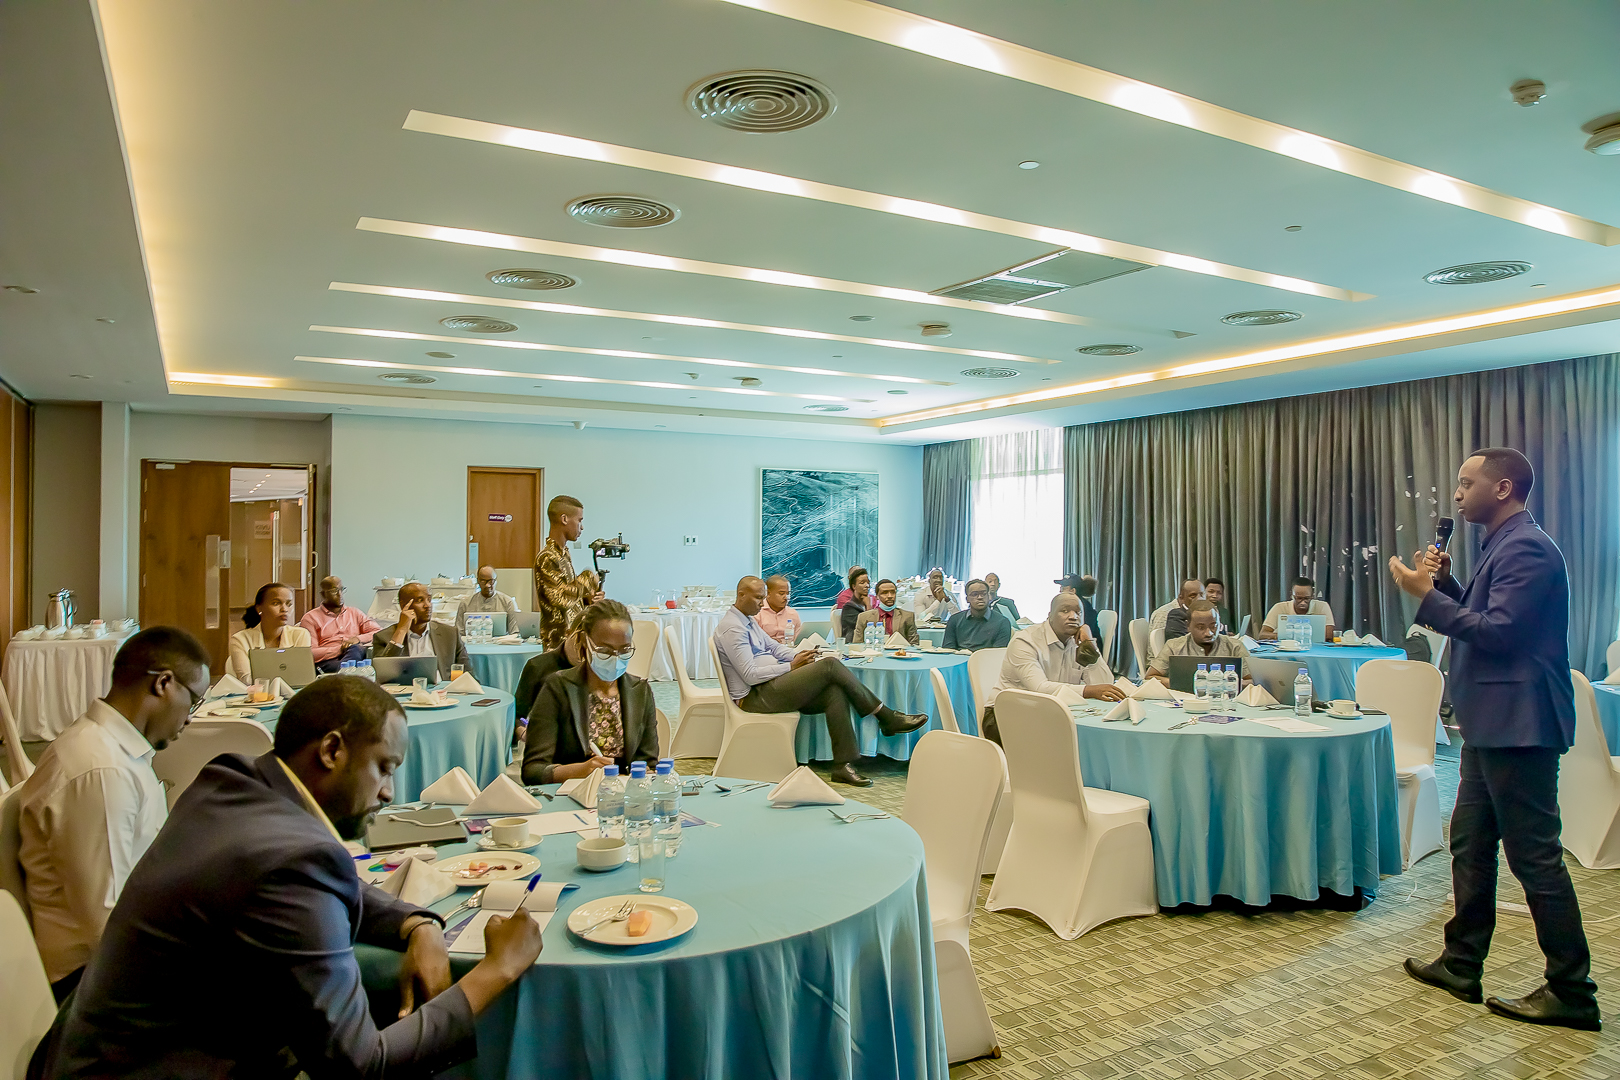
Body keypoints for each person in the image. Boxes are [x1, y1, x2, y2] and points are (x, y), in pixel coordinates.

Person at [30, 676, 542, 1078]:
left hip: (92, 1052)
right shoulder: (295, 861)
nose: (389, 792)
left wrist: (419, 924)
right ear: (331, 751)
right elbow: (363, 1065)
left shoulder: (230, 781)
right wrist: (498, 968)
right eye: (384, 768)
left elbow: (333, 884)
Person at [1389, 447, 1599, 1031]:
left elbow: (1501, 634)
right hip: (1493, 722)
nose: (1456, 494)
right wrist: (1449, 584)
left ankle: (1573, 991)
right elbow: (1486, 614)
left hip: (1520, 724)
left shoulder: (1527, 546)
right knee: (1470, 843)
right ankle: (1462, 963)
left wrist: (1426, 598)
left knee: (1534, 857)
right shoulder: (1502, 546)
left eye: (1465, 483)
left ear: (1502, 488)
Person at [17, 628, 210, 1002]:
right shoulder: (102, 770)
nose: (190, 719)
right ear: (164, 684)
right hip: (91, 983)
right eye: (195, 701)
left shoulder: (115, 752)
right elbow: (109, 926)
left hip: (122, 953)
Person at [716, 576, 928, 787]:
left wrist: (800, 655)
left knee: (833, 691)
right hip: (753, 696)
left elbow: (773, 647)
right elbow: (750, 675)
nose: (762, 603)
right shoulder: (733, 627)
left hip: (770, 685)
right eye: (757, 598)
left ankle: (842, 766)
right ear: (741, 594)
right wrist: (791, 666)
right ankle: (885, 716)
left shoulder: (748, 619)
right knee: (830, 665)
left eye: (763, 598)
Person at [522, 600, 659, 784]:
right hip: (569, 796)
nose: (615, 658)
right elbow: (532, 771)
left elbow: (648, 762)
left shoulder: (640, 692)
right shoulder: (558, 687)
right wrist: (582, 770)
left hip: (624, 794)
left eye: (624, 650)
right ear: (585, 642)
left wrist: (646, 775)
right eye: (604, 651)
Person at [984, 594, 1125, 741]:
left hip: (1051, 711)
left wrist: (1089, 644)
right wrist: (1089, 691)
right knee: (1064, 741)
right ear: (1050, 616)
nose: (1073, 617)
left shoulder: (1078, 642)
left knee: (1093, 738)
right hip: (1005, 715)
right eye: (1064, 611)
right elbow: (1039, 688)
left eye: (1078, 612)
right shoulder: (1025, 641)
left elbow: (1103, 685)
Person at [534, 494, 601, 651]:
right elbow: (561, 599)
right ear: (564, 519)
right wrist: (588, 577)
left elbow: (572, 600)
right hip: (557, 645)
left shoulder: (563, 554)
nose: (581, 527)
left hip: (573, 638)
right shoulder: (547, 557)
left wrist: (588, 598)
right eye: (579, 520)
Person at [372, 581, 471, 682]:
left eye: (429, 599)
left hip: (442, 693)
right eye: (420, 601)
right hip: (403, 694)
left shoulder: (450, 634)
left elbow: (468, 675)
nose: (427, 605)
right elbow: (382, 678)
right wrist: (401, 631)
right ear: (403, 605)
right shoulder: (383, 637)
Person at [1146, 601, 1250, 686]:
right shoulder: (1174, 646)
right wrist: (1180, 684)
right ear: (1188, 626)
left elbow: (1253, 681)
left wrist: (1224, 684)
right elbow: (1149, 678)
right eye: (1201, 627)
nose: (1208, 633)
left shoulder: (1235, 646)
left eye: (1214, 626)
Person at [228, 582, 313, 683]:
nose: (284, 609)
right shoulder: (240, 639)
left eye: (289, 604)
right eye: (276, 603)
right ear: (259, 608)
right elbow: (246, 680)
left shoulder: (300, 635)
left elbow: (303, 676)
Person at [299, 576, 380, 673]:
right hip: (327, 661)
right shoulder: (310, 618)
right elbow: (309, 653)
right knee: (353, 656)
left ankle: (344, 673)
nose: (339, 594)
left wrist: (357, 639)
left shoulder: (355, 613)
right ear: (323, 594)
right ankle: (345, 672)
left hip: (355, 655)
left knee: (357, 648)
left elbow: (378, 632)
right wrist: (340, 649)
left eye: (341, 589)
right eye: (334, 591)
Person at [942, 579, 1012, 652]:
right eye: (975, 594)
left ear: (989, 597)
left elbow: (997, 654)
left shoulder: (1002, 622)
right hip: (959, 660)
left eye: (984, 594)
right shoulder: (955, 620)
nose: (980, 597)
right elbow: (948, 651)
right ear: (967, 599)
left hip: (987, 661)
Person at [1258, 576, 1337, 640]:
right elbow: (1262, 635)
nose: (1302, 602)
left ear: (1312, 596)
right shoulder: (1279, 607)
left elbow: (1328, 635)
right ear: (1291, 595)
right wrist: (1282, 636)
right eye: (1298, 598)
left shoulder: (1322, 606)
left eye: (1306, 598)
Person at [852, 579, 920, 645]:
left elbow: (914, 645)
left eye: (893, 592)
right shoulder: (864, 617)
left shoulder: (907, 616)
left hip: (899, 654)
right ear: (877, 597)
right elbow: (857, 645)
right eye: (885, 593)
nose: (890, 596)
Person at [456, 566, 520, 635]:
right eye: (483, 581)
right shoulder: (466, 603)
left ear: (495, 581)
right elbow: (458, 633)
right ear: (478, 581)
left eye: (491, 581)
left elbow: (515, 632)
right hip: (473, 643)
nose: (487, 585)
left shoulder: (508, 602)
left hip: (502, 644)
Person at [753, 574, 802, 645]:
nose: (786, 597)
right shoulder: (757, 612)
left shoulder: (793, 614)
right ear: (768, 593)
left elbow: (798, 641)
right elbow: (752, 641)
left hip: (789, 652)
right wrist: (768, 641)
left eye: (788, 593)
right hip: (764, 652)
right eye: (781, 593)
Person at [1055, 572, 1103, 642]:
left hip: (1087, 649)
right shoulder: (1079, 605)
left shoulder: (1083, 608)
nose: (1060, 591)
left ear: (1072, 591)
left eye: (1063, 588)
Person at [833, 566, 874, 642]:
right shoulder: (849, 607)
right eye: (862, 583)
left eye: (868, 582)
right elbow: (867, 625)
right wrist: (868, 606)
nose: (867, 585)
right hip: (855, 644)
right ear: (854, 586)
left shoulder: (871, 598)